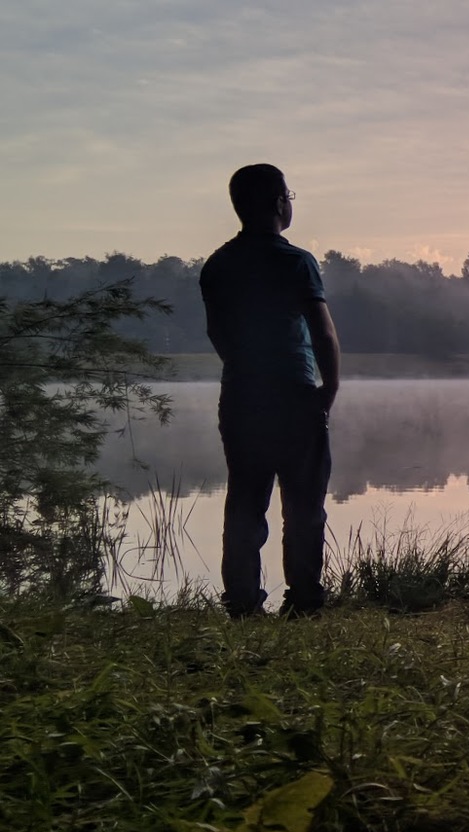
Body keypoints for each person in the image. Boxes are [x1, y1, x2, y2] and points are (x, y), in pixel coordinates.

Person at [200, 164, 341, 619]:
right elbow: (322, 332)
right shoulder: (296, 261)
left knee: (245, 501)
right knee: (304, 506)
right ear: (280, 201)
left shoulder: (219, 264)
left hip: (242, 397)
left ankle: (242, 603)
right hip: (295, 394)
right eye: (289, 195)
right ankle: (303, 601)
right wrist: (330, 386)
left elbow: (217, 334)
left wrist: (245, 372)